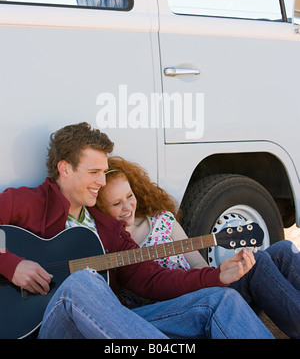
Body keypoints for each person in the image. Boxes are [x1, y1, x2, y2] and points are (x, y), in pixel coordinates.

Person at [0, 122, 273, 339]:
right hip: (51, 328)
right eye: (94, 172)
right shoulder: (26, 202)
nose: (101, 181)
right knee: (81, 283)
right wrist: (12, 265)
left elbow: (154, 279)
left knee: (221, 300)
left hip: (109, 326)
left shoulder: (107, 228)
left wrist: (216, 276)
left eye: (104, 172)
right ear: (65, 169)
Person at [97, 156, 300, 339]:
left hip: (200, 287)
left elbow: (197, 263)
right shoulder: (111, 243)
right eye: (116, 203)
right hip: (175, 309)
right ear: (100, 210)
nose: (127, 207)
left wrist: (222, 273)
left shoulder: (162, 220)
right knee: (261, 262)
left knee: (282, 249)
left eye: (129, 196)